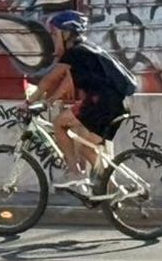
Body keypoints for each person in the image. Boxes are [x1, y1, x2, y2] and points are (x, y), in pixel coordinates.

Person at [32, 10, 135, 192]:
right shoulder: (86, 50)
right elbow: (69, 80)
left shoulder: (74, 53)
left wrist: (28, 102)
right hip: (117, 103)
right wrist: (51, 100)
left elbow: (50, 79)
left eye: (55, 34)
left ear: (66, 33)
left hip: (103, 103)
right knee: (87, 148)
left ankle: (75, 173)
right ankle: (114, 190)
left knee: (59, 124)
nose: (53, 39)